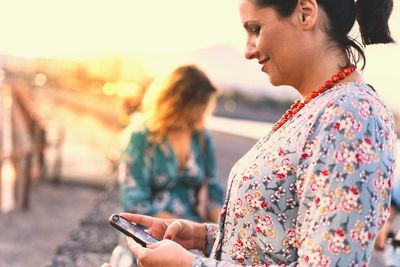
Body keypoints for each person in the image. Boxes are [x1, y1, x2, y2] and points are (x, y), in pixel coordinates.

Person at [103, 0, 397, 266]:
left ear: (305, 13)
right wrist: (205, 238)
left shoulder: (351, 114)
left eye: (256, 29)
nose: (248, 50)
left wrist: (189, 265)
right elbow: (280, 240)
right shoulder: (316, 107)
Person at [110, 64, 224, 266]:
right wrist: (175, 230)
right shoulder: (142, 136)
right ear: (180, 103)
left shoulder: (201, 137)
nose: (202, 114)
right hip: (150, 234)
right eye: (199, 106)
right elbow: (134, 199)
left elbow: (214, 192)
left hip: (190, 233)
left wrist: (223, 231)